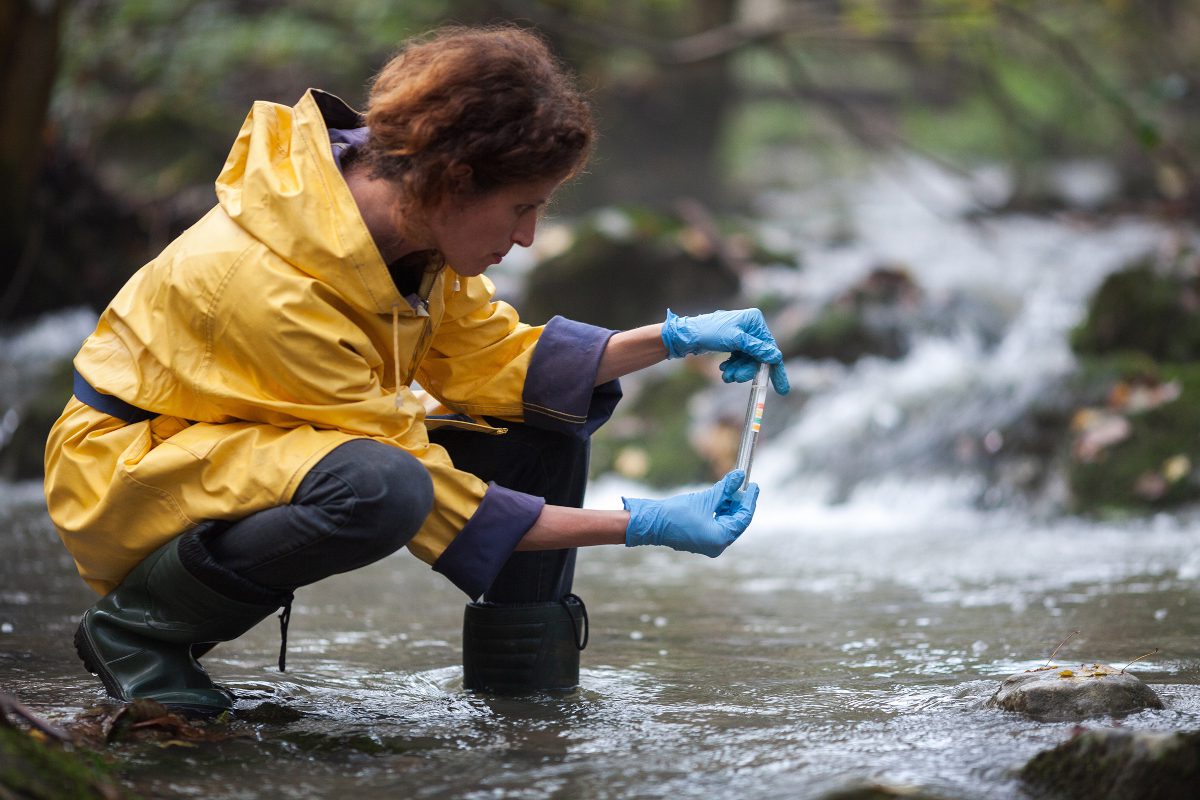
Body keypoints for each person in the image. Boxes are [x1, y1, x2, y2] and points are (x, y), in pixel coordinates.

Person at [43, 25, 790, 716]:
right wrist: (643, 524)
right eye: (520, 208)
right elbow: (431, 499)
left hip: (241, 444)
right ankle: (139, 631)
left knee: (541, 429)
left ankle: (526, 689)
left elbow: (492, 360)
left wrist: (674, 337)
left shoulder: (404, 214)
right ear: (453, 182)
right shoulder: (270, 287)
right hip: (131, 473)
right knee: (381, 489)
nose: (528, 238)